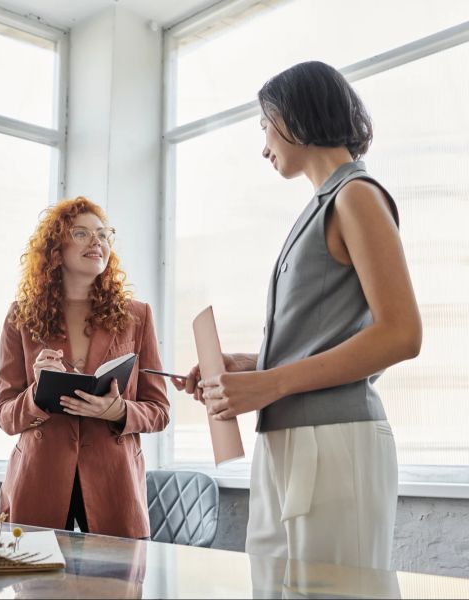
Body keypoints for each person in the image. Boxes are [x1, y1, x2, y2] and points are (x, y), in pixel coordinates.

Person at [173, 61, 422, 570]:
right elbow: (323, 335)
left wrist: (272, 383)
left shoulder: (357, 196)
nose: (263, 146)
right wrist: (250, 366)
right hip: (290, 439)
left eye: (265, 126)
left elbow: (402, 334)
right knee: (273, 583)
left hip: (333, 441)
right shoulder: (321, 205)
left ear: (295, 116)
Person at [0, 196, 169, 539]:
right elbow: (4, 413)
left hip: (114, 485)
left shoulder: (138, 316)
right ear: (55, 249)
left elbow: (159, 410)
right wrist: (36, 395)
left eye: (104, 235)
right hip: (38, 481)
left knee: (115, 591)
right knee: (37, 590)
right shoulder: (21, 317)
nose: (97, 242)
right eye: (81, 234)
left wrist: (119, 411)